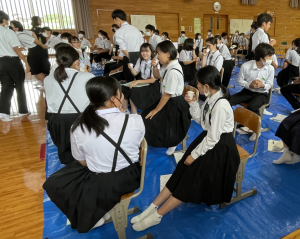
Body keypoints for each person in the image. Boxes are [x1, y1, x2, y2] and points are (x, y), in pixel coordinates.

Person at [131, 66, 240, 232]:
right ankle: (152, 207)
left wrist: (194, 155)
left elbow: (213, 138)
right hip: (208, 140)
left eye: (198, 83)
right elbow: (203, 123)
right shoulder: (211, 98)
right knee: (180, 170)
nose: (196, 85)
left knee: (189, 178)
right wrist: (193, 104)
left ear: (206, 86)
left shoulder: (221, 105)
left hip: (220, 147)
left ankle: (157, 216)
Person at [43, 76, 144, 233]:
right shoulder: (136, 120)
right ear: (114, 98)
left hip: (102, 182)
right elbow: (137, 147)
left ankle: (92, 216)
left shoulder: (78, 127)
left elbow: (83, 162)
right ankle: (95, 212)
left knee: (54, 183)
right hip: (132, 176)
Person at [44, 45, 94, 164]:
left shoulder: (48, 79)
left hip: (58, 124)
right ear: (77, 62)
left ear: (56, 62)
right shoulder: (87, 77)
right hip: (81, 121)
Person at [141, 41, 191, 156]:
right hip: (168, 101)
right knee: (145, 115)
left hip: (175, 104)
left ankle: (173, 141)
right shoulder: (167, 65)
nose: (157, 56)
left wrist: (156, 110)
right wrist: (154, 66)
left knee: (152, 118)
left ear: (168, 54)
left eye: (159, 53)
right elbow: (158, 76)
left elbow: (167, 95)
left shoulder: (173, 71)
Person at [230, 43, 275, 141]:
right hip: (248, 91)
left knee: (252, 106)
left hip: (262, 93)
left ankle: (256, 129)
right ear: (261, 57)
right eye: (269, 56)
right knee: (228, 101)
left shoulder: (270, 68)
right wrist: (249, 85)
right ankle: (230, 122)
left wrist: (262, 85)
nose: (271, 58)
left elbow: (269, 84)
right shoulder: (246, 66)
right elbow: (240, 81)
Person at [0, 11, 31, 122]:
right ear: (3, 20)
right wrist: (26, 62)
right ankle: (23, 110)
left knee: (6, 86)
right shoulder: (8, 32)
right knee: (19, 85)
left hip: (0, 62)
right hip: (12, 61)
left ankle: (3, 112)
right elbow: (15, 48)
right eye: (6, 20)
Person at [10, 20, 50, 90]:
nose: (9, 28)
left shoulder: (19, 35)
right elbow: (32, 33)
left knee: (37, 70)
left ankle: (47, 85)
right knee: (34, 69)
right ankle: (43, 83)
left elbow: (35, 41)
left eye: (11, 26)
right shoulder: (22, 32)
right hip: (34, 50)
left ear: (16, 28)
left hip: (35, 51)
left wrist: (42, 45)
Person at [122, 43, 161, 114]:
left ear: (151, 52)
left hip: (151, 86)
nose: (144, 53)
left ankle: (134, 114)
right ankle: (125, 111)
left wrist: (137, 82)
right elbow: (135, 73)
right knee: (123, 87)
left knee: (133, 91)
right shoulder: (140, 60)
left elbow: (152, 80)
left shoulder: (154, 62)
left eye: (147, 51)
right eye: (142, 51)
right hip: (142, 82)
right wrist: (131, 68)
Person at [110, 9, 143, 81]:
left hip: (129, 59)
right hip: (140, 58)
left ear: (118, 19)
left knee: (130, 82)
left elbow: (123, 48)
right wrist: (137, 59)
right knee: (139, 80)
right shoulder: (136, 29)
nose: (116, 23)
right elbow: (142, 45)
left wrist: (132, 59)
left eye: (115, 20)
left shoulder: (119, 32)